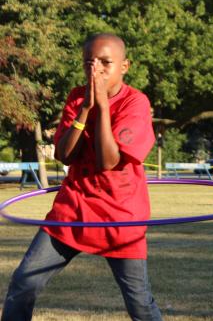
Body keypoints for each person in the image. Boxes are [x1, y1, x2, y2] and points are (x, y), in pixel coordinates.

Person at [2, 33, 162, 321]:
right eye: (89, 62)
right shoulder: (77, 97)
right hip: (73, 211)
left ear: (124, 66)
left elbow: (108, 161)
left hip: (121, 217)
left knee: (139, 303)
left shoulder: (135, 103)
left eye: (105, 62)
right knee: (23, 283)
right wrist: (86, 108)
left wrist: (101, 106)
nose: (95, 69)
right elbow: (64, 154)